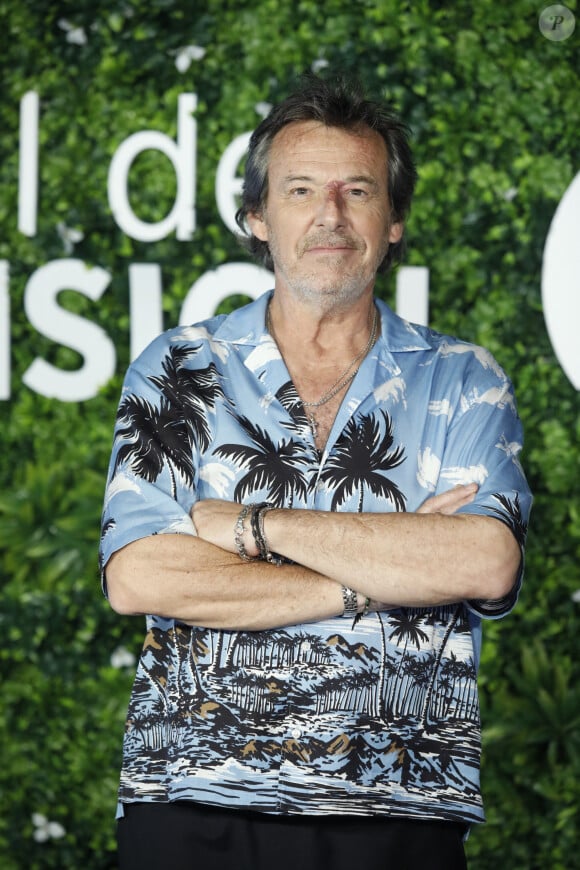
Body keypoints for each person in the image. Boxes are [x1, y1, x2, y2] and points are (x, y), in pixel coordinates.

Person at [100, 75, 532, 870]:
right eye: (301, 190)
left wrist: (247, 527)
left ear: (393, 220)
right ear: (259, 219)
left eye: (357, 190)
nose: (330, 215)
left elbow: (483, 560)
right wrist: (380, 574)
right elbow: (142, 577)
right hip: (191, 804)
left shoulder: (465, 377)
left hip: (400, 806)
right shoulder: (178, 367)